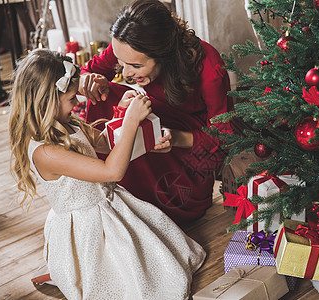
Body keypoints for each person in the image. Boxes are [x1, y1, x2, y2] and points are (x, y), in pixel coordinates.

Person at [8, 49, 206, 299]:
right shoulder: (46, 152)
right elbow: (112, 171)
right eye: (71, 99)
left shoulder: (68, 124)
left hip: (107, 204)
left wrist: (122, 114)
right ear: (47, 102)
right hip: (86, 225)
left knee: (159, 254)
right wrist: (133, 121)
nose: (77, 103)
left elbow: (103, 143)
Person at [79, 0, 233, 225]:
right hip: (156, 121)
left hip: (187, 144)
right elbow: (89, 70)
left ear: (163, 54)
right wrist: (87, 81)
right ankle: (114, 191)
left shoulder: (208, 67)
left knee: (135, 117)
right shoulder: (127, 45)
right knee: (104, 93)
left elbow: (224, 137)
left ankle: (156, 202)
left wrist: (176, 138)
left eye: (135, 66)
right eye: (121, 64)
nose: (127, 73)